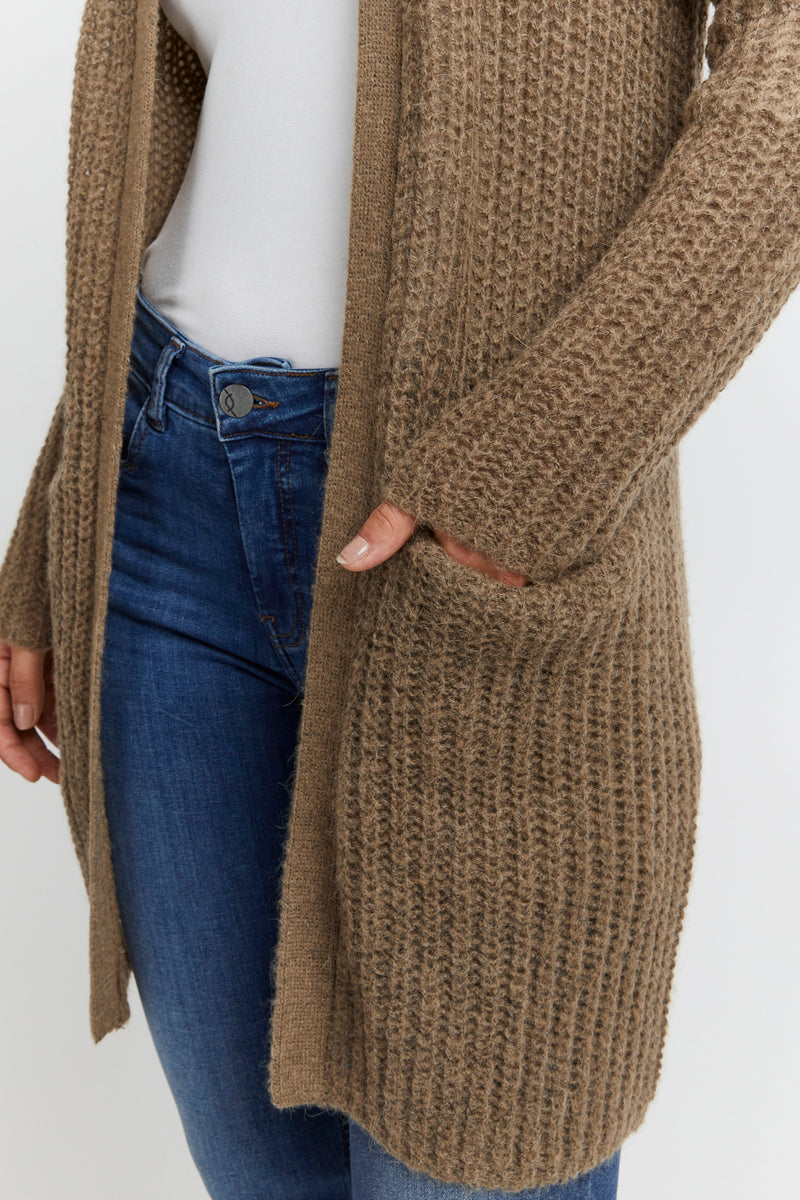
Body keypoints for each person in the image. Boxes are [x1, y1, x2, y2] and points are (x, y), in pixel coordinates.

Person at [1, 1, 798, 1197]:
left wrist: (537, 469)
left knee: (481, 1151)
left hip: (477, 559)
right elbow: (195, 93)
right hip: (163, 508)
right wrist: (57, 520)